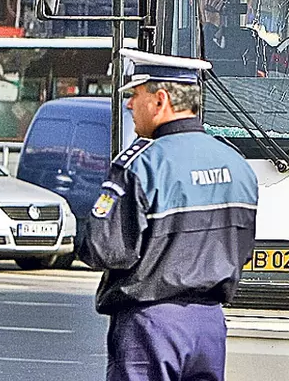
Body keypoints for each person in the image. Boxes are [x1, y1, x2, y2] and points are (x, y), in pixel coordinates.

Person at [79, 48, 259, 381]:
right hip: (209, 326)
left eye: (135, 94)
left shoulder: (142, 164)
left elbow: (103, 249)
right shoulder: (236, 163)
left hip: (151, 324)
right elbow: (242, 248)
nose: (130, 104)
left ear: (160, 100)